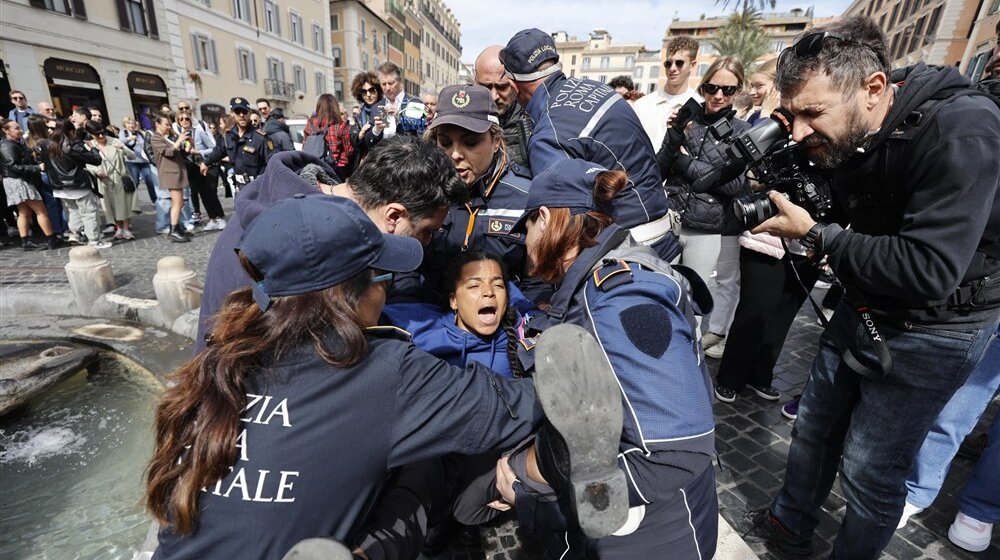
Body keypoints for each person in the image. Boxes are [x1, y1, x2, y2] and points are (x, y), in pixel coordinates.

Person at [743, 16, 1000, 559]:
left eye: (813, 114)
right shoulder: (853, 124)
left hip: (937, 329)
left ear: (874, 88)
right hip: (864, 302)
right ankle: (790, 523)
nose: (799, 132)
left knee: (870, 471)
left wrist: (817, 235)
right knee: (813, 428)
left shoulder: (963, 130)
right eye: (792, 116)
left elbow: (929, 269)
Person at [500, 158, 718, 559]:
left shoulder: (619, 298)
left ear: (545, 218)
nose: (525, 246)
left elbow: (674, 453)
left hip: (650, 537)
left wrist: (539, 498)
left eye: (526, 227)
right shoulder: (599, 279)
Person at [195, 136, 466, 353]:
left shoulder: (326, 218)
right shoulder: (288, 250)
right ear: (393, 216)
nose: (429, 242)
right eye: (427, 231)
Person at [500, 29, 681, 262]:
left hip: (627, 252)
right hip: (661, 237)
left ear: (515, 86)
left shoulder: (549, 133)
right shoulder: (601, 90)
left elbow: (560, 222)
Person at [417, 85, 547, 306]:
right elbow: (407, 273)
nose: (455, 154)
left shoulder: (527, 197)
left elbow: (540, 282)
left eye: (470, 142)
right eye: (445, 143)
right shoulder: (422, 191)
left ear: (496, 141)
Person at [658, 56, 751, 317]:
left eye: (728, 89)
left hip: (706, 230)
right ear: (704, 87)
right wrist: (673, 140)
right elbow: (659, 171)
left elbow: (735, 184)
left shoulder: (742, 131)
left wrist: (684, 162)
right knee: (659, 293)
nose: (718, 96)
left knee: (691, 307)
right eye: (712, 88)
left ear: (738, 90)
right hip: (671, 221)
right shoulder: (687, 118)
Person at [36, 120, 108, 248]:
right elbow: (96, 160)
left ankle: (75, 234)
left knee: (72, 211)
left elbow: (43, 163)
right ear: (71, 131)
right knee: (89, 213)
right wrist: (93, 149)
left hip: (59, 186)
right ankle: (94, 240)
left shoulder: (46, 145)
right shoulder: (73, 145)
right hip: (77, 185)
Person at [632, 36, 703, 148]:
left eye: (679, 63)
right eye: (668, 63)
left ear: (692, 65)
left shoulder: (700, 107)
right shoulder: (642, 105)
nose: (672, 68)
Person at [0, 120, 59, 250]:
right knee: (41, 211)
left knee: (24, 212)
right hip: (19, 181)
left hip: (15, 180)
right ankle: (51, 239)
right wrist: (37, 168)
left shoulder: (12, 144)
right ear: (6, 131)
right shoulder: (7, 145)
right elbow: (13, 166)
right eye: (16, 128)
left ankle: (26, 241)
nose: (20, 130)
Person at [474, 45, 533, 169]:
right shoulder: (463, 117)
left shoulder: (533, 120)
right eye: (486, 86)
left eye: (502, 87)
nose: (494, 96)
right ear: (475, 81)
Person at [200, 97, 271, 188]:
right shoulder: (229, 136)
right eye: (237, 112)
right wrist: (206, 163)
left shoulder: (261, 138)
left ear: (249, 113)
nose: (241, 115)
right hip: (239, 186)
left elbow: (271, 161)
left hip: (258, 186)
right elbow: (219, 151)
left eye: (244, 112)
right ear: (232, 114)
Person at [85, 121, 136, 241]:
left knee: (124, 204)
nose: (101, 136)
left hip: (120, 177)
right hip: (104, 181)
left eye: (102, 133)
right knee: (111, 206)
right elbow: (87, 164)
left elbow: (132, 156)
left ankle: (126, 229)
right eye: (97, 134)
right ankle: (118, 229)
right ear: (91, 134)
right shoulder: (89, 145)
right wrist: (97, 171)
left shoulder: (114, 141)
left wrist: (123, 148)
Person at [151, 115, 192, 243]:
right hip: (170, 173)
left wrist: (188, 145)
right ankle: (173, 230)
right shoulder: (155, 138)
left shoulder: (166, 138)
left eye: (169, 124)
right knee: (177, 202)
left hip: (176, 172)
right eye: (166, 124)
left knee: (180, 202)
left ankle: (177, 227)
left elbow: (178, 153)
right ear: (157, 124)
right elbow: (168, 152)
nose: (169, 127)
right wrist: (179, 141)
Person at [25, 115, 67, 238]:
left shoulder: (29, 141)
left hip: (39, 175)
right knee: (60, 202)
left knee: (50, 204)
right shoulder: (47, 142)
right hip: (51, 174)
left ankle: (56, 230)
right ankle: (63, 229)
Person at [303, 93, 353, 178]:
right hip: (335, 169)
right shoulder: (340, 125)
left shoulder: (310, 123)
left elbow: (305, 145)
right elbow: (348, 151)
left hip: (312, 166)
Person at [374, 62, 427, 138]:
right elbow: (368, 142)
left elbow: (420, 131)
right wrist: (375, 130)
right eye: (384, 84)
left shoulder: (414, 103)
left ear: (399, 81)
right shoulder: (376, 107)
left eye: (391, 83)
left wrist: (400, 117)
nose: (388, 88)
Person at [349, 72, 384, 167]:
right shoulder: (358, 115)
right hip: (366, 161)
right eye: (364, 92)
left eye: (372, 90)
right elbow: (352, 139)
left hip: (384, 158)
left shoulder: (385, 108)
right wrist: (360, 135)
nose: (368, 94)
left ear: (378, 90)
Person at [747, 59, 780, 126]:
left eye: (759, 85)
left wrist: (765, 115)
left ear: (778, 86)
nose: (751, 92)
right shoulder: (754, 117)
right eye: (752, 86)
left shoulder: (788, 121)